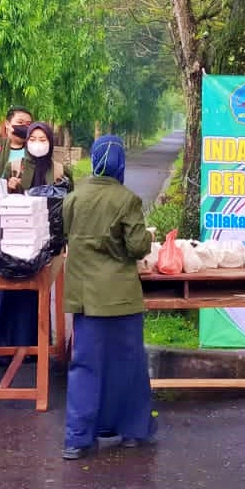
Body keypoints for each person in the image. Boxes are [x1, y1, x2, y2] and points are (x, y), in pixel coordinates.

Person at [60, 135, 156, 460]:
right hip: (120, 297)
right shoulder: (126, 199)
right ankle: (130, 431)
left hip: (85, 298)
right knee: (127, 365)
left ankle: (78, 439)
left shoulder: (73, 198)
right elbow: (138, 247)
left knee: (85, 367)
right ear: (120, 164)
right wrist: (146, 237)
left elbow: (67, 234)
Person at [0, 122, 73, 355]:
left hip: (48, 244)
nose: (38, 144)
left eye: (43, 139)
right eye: (33, 139)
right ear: (26, 142)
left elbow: (70, 206)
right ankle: (6, 349)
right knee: (12, 292)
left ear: (50, 142)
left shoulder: (59, 170)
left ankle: (33, 348)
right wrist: (10, 187)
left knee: (37, 294)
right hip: (16, 242)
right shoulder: (14, 166)